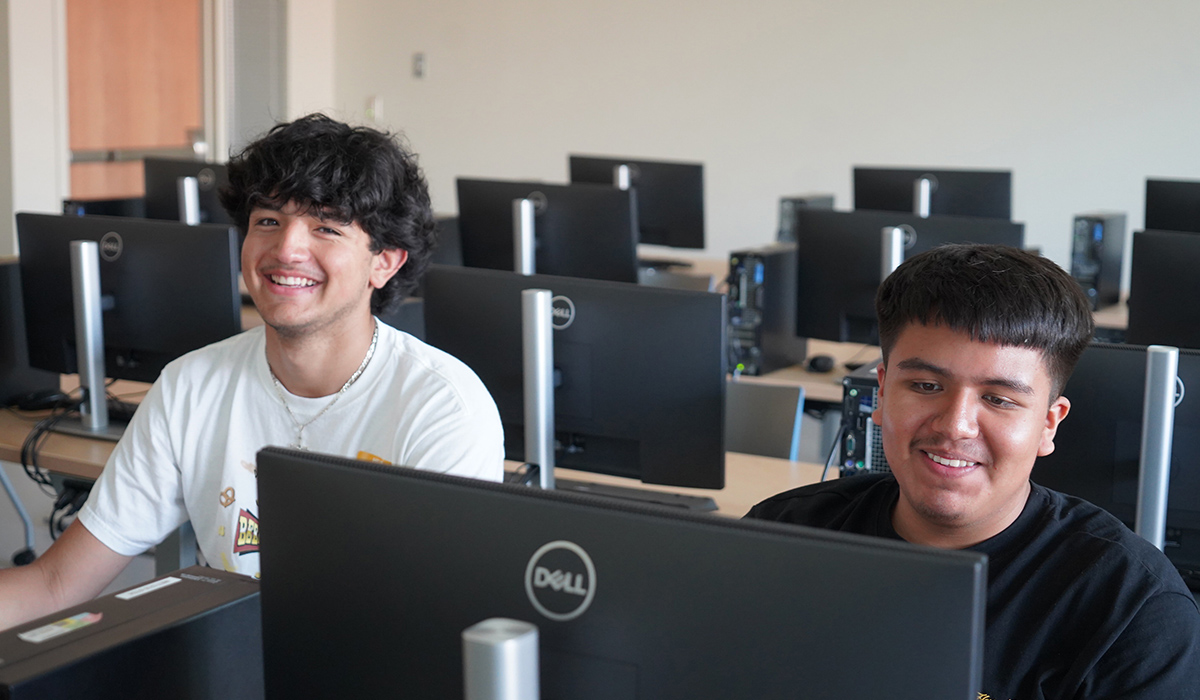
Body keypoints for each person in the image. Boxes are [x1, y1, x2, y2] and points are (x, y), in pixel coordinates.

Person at [0, 114, 505, 630]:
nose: (286, 249)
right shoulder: (191, 386)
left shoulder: (443, 408)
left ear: (385, 263)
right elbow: (55, 584)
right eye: (268, 221)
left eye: (326, 228)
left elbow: (434, 631)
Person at [747, 244, 1200, 698]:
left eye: (999, 399)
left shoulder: (1134, 609)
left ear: (1048, 423)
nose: (954, 426)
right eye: (925, 386)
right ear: (881, 395)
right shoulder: (777, 538)